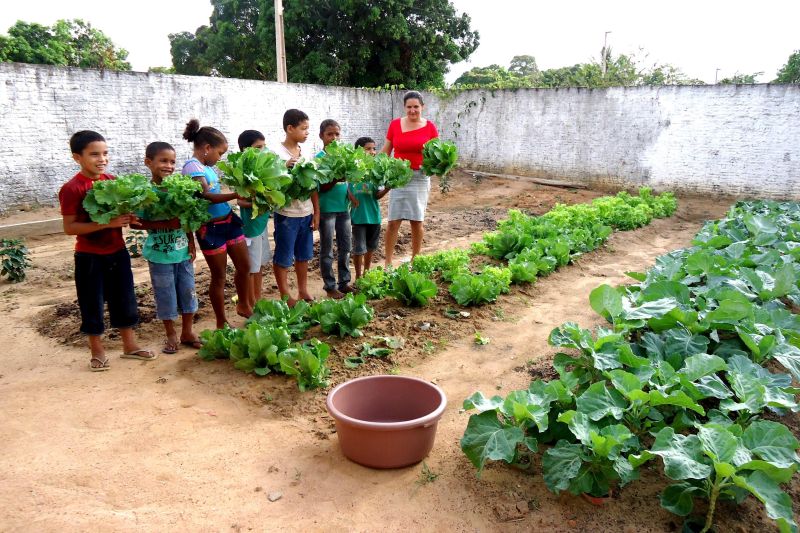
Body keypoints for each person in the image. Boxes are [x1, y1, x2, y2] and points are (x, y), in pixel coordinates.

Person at [58, 130, 156, 371]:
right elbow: (70, 228)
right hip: (89, 256)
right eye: (94, 154)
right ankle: (97, 351)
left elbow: (120, 218)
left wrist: (130, 219)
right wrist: (108, 223)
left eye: (105, 153)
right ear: (76, 157)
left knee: (125, 298)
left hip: (117, 252)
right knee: (91, 302)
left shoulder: (111, 180)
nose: (102, 159)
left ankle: (130, 346)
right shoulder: (71, 188)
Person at [131, 142, 201, 354]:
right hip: (159, 256)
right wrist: (165, 224)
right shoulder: (144, 193)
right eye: (163, 161)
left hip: (182, 254)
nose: (169, 166)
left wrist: (191, 241)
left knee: (189, 292)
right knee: (165, 295)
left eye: (172, 161)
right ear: (148, 162)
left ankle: (187, 332)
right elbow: (134, 223)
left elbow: (187, 218)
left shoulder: (179, 187)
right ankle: (171, 334)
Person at [181, 119, 252, 329]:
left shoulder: (205, 166)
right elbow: (206, 196)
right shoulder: (191, 167)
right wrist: (235, 194)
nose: (220, 157)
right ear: (207, 148)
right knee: (219, 276)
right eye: (219, 153)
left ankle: (244, 305)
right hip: (210, 229)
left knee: (244, 266)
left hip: (229, 222)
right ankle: (221, 321)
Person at [381, 90, 439, 267]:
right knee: (393, 221)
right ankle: (388, 263)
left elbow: (436, 154)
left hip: (420, 178)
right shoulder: (395, 125)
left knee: (417, 220)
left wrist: (437, 166)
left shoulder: (430, 127)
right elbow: (386, 150)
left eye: (416, 107)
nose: (412, 110)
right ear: (404, 107)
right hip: (398, 177)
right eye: (409, 107)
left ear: (422, 107)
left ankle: (416, 259)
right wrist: (376, 168)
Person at [271, 109, 319, 306]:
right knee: (284, 255)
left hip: (306, 212)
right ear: (290, 129)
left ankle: (303, 290)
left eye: (308, 129)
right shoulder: (275, 153)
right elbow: (272, 182)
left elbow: (314, 184)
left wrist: (317, 212)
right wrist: (284, 166)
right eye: (303, 128)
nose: (307, 133)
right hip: (286, 214)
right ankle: (284, 294)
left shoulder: (307, 152)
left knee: (304, 255)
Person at [316, 119, 358, 298]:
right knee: (326, 250)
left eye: (337, 134)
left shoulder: (343, 156)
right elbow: (321, 187)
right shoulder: (319, 159)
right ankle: (330, 286)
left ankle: (344, 282)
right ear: (321, 136)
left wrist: (350, 194)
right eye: (329, 134)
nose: (334, 138)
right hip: (326, 210)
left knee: (345, 247)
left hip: (343, 208)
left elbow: (346, 181)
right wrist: (335, 178)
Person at [235, 130, 272, 309]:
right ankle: (249, 303)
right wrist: (261, 203)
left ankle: (257, 300)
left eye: (263, 146)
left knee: (260, 265)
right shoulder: (242, 172)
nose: (262, 150)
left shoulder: (261, 169)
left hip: (261, 224)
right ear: (245, 150)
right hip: (251, 227)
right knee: (251, 267)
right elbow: (240, 200)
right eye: (258, 147)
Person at [350, 136, 388, 279]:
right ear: (359, 151)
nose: (372, 152)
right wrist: (351, 197)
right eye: (368, 149)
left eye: (374, 148)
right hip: (358, 217)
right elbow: (345, 187)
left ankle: (366, 273)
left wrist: (388, 188)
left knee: (370, 248)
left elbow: (377, 195)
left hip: (374, 216)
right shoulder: (352, 169)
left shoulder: (376, 171)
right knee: (358, 249)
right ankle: (358, 276)